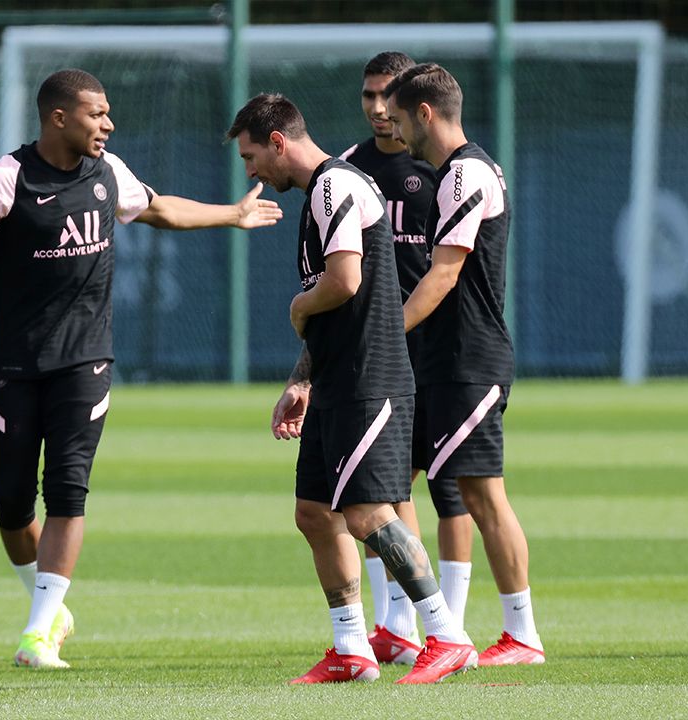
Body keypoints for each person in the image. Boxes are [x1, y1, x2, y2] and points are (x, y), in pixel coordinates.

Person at [0, 68, 282, 670]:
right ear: (58, 118)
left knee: (68, 488)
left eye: (107, 114)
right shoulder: (3, 182)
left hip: (86, 360)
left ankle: (35, 634)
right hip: (14, 364)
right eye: (96, 113)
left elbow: (161, 210)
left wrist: (232, 215)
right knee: (11, 507)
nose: (108, 124)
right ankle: (48, 608)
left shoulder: (110, 173)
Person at [228, 92, 476, 685]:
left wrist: (297, 306)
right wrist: (301, 379)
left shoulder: (335, 185)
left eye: (251, 156)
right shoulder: (322, 190)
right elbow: (337, 311)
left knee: (366, 512)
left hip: (371, 379)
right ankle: (351, 649)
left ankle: (446, 634)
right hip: (337, 378)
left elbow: (342, 282)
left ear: (279, 141)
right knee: (315, 512)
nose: (250, 171)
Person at [384, 62, 545, 665]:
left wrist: (381, 332)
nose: (394, 130)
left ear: (425, 113)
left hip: (469, 360)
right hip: (441, 361)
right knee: (390, 482)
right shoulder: (456, 171)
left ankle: (522, 635)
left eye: (400, 118)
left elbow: (444, 274)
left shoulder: (466, 173)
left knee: (482, 495)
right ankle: (420, 626)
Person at [338, 52, 477, 664]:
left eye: (386, 96)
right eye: (368, 95)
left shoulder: (446, 172)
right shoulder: (347, 171)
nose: (376, 108)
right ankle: (398, 626)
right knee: (380, 484)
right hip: (378, 353)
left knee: (451, 490)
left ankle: (452, 628)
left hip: (435, 349)